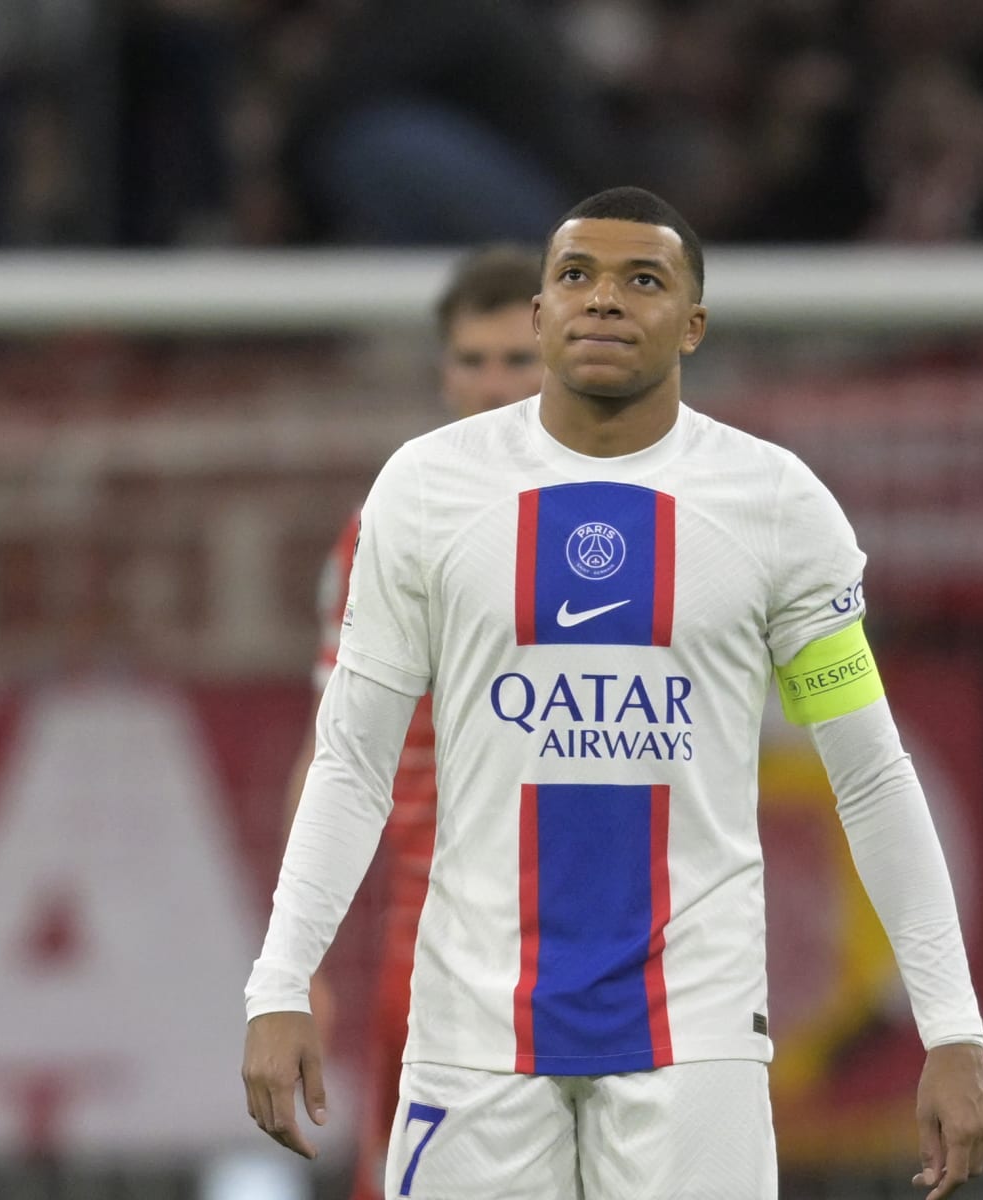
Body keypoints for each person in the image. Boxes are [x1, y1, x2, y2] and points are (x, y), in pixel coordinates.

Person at [243, 187, 983, 1199]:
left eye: (642, 280)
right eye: (576, 278)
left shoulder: (776, 506)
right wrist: (281, 980)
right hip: (473, 1024)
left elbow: (868, 775)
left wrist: (950, 1026)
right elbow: (351, 759)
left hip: (698, 1035)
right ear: (543, 312)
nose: (604, 300)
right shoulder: (423, 492)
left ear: (692, 323)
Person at [281, 243, 543, 1199]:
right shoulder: (392, 527)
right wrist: (294, 955)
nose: (492, 384)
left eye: (517, 359)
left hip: (621, 942)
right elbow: (334, 750)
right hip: (440, 946)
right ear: (443, 372)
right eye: (472, 360)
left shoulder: (643, 516)